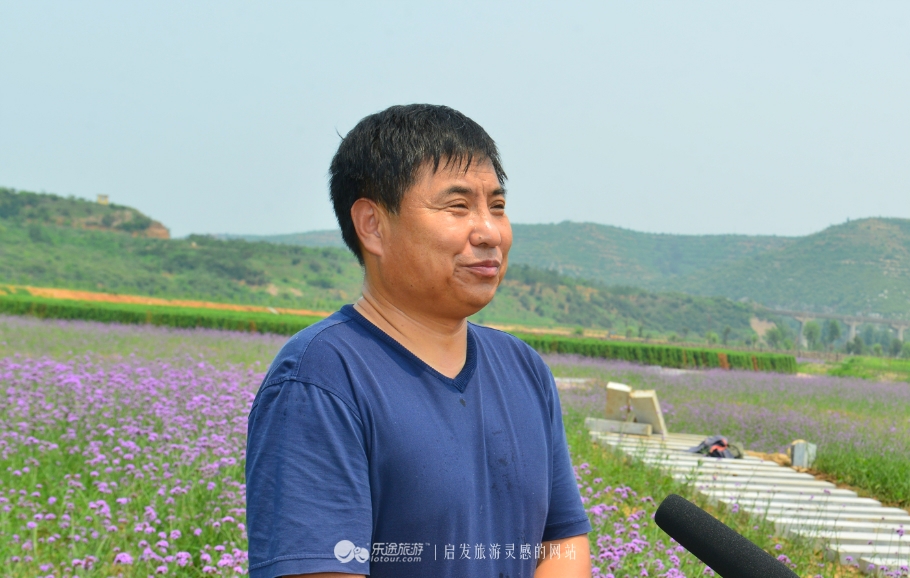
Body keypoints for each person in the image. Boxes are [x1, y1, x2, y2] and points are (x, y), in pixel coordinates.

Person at [245, 104, 592, 578]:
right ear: (372, 225)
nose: (489, 231)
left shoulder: (523, 368)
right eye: (457, 206)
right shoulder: (321, 378)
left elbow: (563, 543)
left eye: (497, 206)